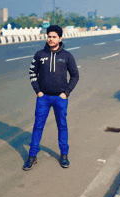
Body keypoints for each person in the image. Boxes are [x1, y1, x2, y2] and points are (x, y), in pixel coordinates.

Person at [23, 25, 79, 171]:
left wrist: (66, 93)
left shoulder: (67, 56)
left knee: (62, 126)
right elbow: (32, 73)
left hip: (60, 99)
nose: (51, 39)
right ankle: (32, 156)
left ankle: (64, 155)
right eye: (49, 36)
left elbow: (75, 76)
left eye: (54, 37)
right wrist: (38, 91)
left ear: (60, 38)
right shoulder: (39, 55)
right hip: (43, 98)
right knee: (38, 126)